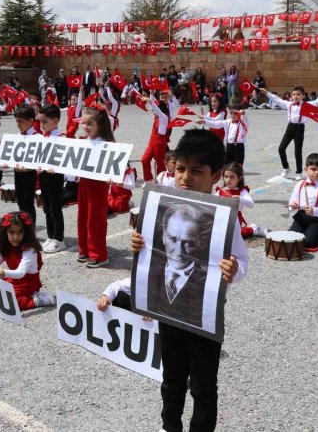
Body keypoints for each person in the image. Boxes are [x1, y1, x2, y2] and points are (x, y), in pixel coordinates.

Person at [131, 128, 248, 432]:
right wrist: (138, 244)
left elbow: (243, 261)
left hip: (204, 317)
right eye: (180, 168)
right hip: (168, 312)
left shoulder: (224, 218)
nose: (185, 177)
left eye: (197, 171)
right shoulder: (163, 205)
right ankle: (170, 426)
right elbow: (152, 252)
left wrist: (233, 271)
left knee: (203, 386)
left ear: (216, 175)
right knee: (171, 378)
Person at [0, 211, 56, 310]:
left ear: (26, 232)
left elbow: (20, 273)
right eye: (11, 232)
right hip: (13, 279)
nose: (16, 237)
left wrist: (0, 272)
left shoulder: (30, 250)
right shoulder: (7, 246)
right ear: (5, 232)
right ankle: (25, 296)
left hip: (27, 283)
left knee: (9, 303)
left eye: (20, 232)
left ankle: (36, 300)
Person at [260, 86, 318, 180]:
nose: (296, 96)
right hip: (290, 127)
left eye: (298, 94)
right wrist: (267, 93)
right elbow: (278, 100)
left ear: (303, 96)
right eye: (294, 94)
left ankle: (299, 172)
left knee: (297, 152)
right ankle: (286, 168)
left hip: (300, 128)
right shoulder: (289, 104)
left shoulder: (306, 105)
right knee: (281, 148)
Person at [77, 104, 114, 268]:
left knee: (95, 220)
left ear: (101, 125)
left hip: (98, 185)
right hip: (84, 183)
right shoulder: (85, 141)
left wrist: (111, 177)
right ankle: (84, 249)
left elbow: (114, 166)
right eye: (84, 123)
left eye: (90, 124)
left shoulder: (107, 144)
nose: (86, 127)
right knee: (83, 217)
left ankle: (99, 254)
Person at [37, 105, 66, 253]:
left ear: (55, 121)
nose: (42, 125)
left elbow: (65, 161)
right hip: (44, 175)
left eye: (44, 122)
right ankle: (50, 235)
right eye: (40, 122)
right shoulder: (42, 137)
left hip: (55, 176)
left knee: (55, 207)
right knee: (46, 207)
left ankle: (59, 239)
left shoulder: (60, 138)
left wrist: (56, 168)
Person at [288, 154, 318, 247]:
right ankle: (307, 232)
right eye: (313, 169)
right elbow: (293, 199)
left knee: (308, 243)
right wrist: (293, 204)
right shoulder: (300, 184)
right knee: (291, 238)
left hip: (317, 220)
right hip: (300, 218)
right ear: (306, 169)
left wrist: (315, 211)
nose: (317, 172)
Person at [215, 162, 267, 238]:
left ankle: (253, 229)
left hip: (235, 219)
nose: (228, 180)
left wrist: (240, 198)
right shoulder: (220, 191)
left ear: (239, 178)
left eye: (232, 177)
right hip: (221, 218)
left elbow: (251, 204)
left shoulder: (242, 191)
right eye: (226, 177)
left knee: (232, 235)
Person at [12, 106, 39, 224]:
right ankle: (23, 227)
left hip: (29, 173)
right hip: (17, 172)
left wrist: (28, 167)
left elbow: (39, 158)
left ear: (31, 121)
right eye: (17, 121)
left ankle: (31, 230)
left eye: (21, 121)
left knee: (28, 202)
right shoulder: (16, 136)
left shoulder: (37, 137)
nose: (18, 124)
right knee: (20, 201)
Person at [140, 90, 172, 184]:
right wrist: (149, 96)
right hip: (152, 142)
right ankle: (148, 180)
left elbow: (155, 108)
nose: (152, 111)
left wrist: (148, 99)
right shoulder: (157, 117)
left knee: (160, 165)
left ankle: (161, 183)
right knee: (144, 160)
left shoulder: (164, 117)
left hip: (160, 143)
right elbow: (154, 107)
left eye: (155, 110)